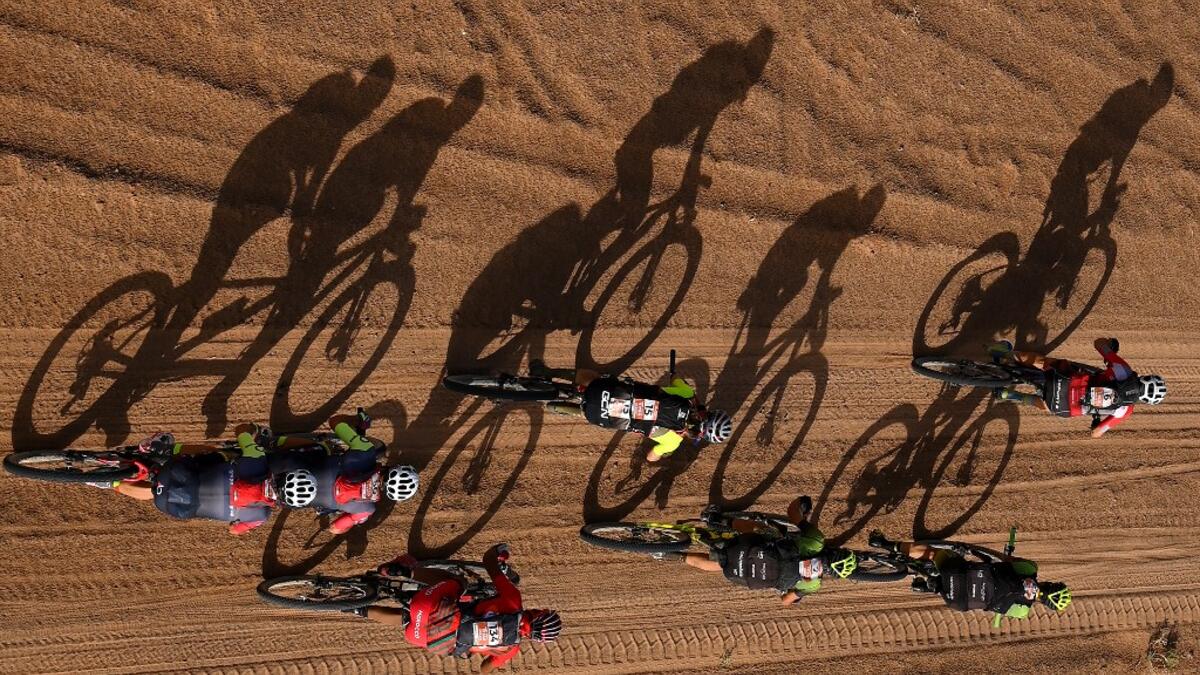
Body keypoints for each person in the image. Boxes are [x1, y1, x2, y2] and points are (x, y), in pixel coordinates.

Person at [347, 543, 561, 672]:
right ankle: (353, 609)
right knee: (405, 619)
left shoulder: (513, 601)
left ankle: (403, 570)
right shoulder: (511, 649)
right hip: (432, 640)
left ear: (537, 613)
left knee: (459, 582)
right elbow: (484, 669)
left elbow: (488, 560)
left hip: (429, 605)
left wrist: (499, 551)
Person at [659, 496, 857, 603]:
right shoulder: (812, 584)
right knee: (720, 564)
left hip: (747, 547)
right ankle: (671, 555)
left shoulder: (815, 541)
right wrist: (791, 594)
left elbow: (792, 511)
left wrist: (802, 504)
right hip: (741, 574)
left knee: (761, 529)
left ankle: (715, 519)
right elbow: (786, 601)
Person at [94, 423, 278, 535]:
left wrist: (252, 431)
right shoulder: (261, 516)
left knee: (216, 455)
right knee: (154, 493)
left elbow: (241, 430)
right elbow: (233, 530)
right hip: (175, 506)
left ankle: (161, 449)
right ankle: (110, 483)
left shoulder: (257, 462)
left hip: (178, 471)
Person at [532, 360, 733, 462]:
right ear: (701, 435)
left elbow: (674, 381)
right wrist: (662, 454)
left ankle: (546, 372)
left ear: (707, 413)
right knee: (586, 413)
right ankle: (553, 406)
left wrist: (674, 375)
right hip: (601, 416)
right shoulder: (674, 440)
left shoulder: (686, 395)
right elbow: (650, 457)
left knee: (589, 376)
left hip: (605, 391)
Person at [269, 409, 419, 534]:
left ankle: (274, 441)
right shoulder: (367, 509)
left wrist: (355, 420)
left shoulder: (364, 453)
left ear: (393, 467)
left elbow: (335, 421)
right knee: (323, 507)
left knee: (321, 448)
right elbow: (335, 528)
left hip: (279, 463)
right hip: (281, 498)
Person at [868, 530, 1072, 620]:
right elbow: (993, 606)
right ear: (1046, 604)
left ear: (1052, 584)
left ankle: (885, 544)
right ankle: (927, 587)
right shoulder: (1021, 613)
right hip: (958, 602)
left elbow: (999, 559)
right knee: (961, 589)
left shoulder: (1030, 569)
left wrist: (974, 551)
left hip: (959, 573)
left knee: (935, 554)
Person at [990, 337, 1166, 437]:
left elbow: (1098, 344)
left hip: (1065, 379)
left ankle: (1002, 351)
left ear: (1145, 377)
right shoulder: (1125, 411)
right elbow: (1096, 433)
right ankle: (1011, 396)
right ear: (1144, 400)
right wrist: (1095, 423)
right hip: (1063, 407)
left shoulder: (1123, 370)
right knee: (1048, 404)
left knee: (1042, 362)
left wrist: (1109, 348)